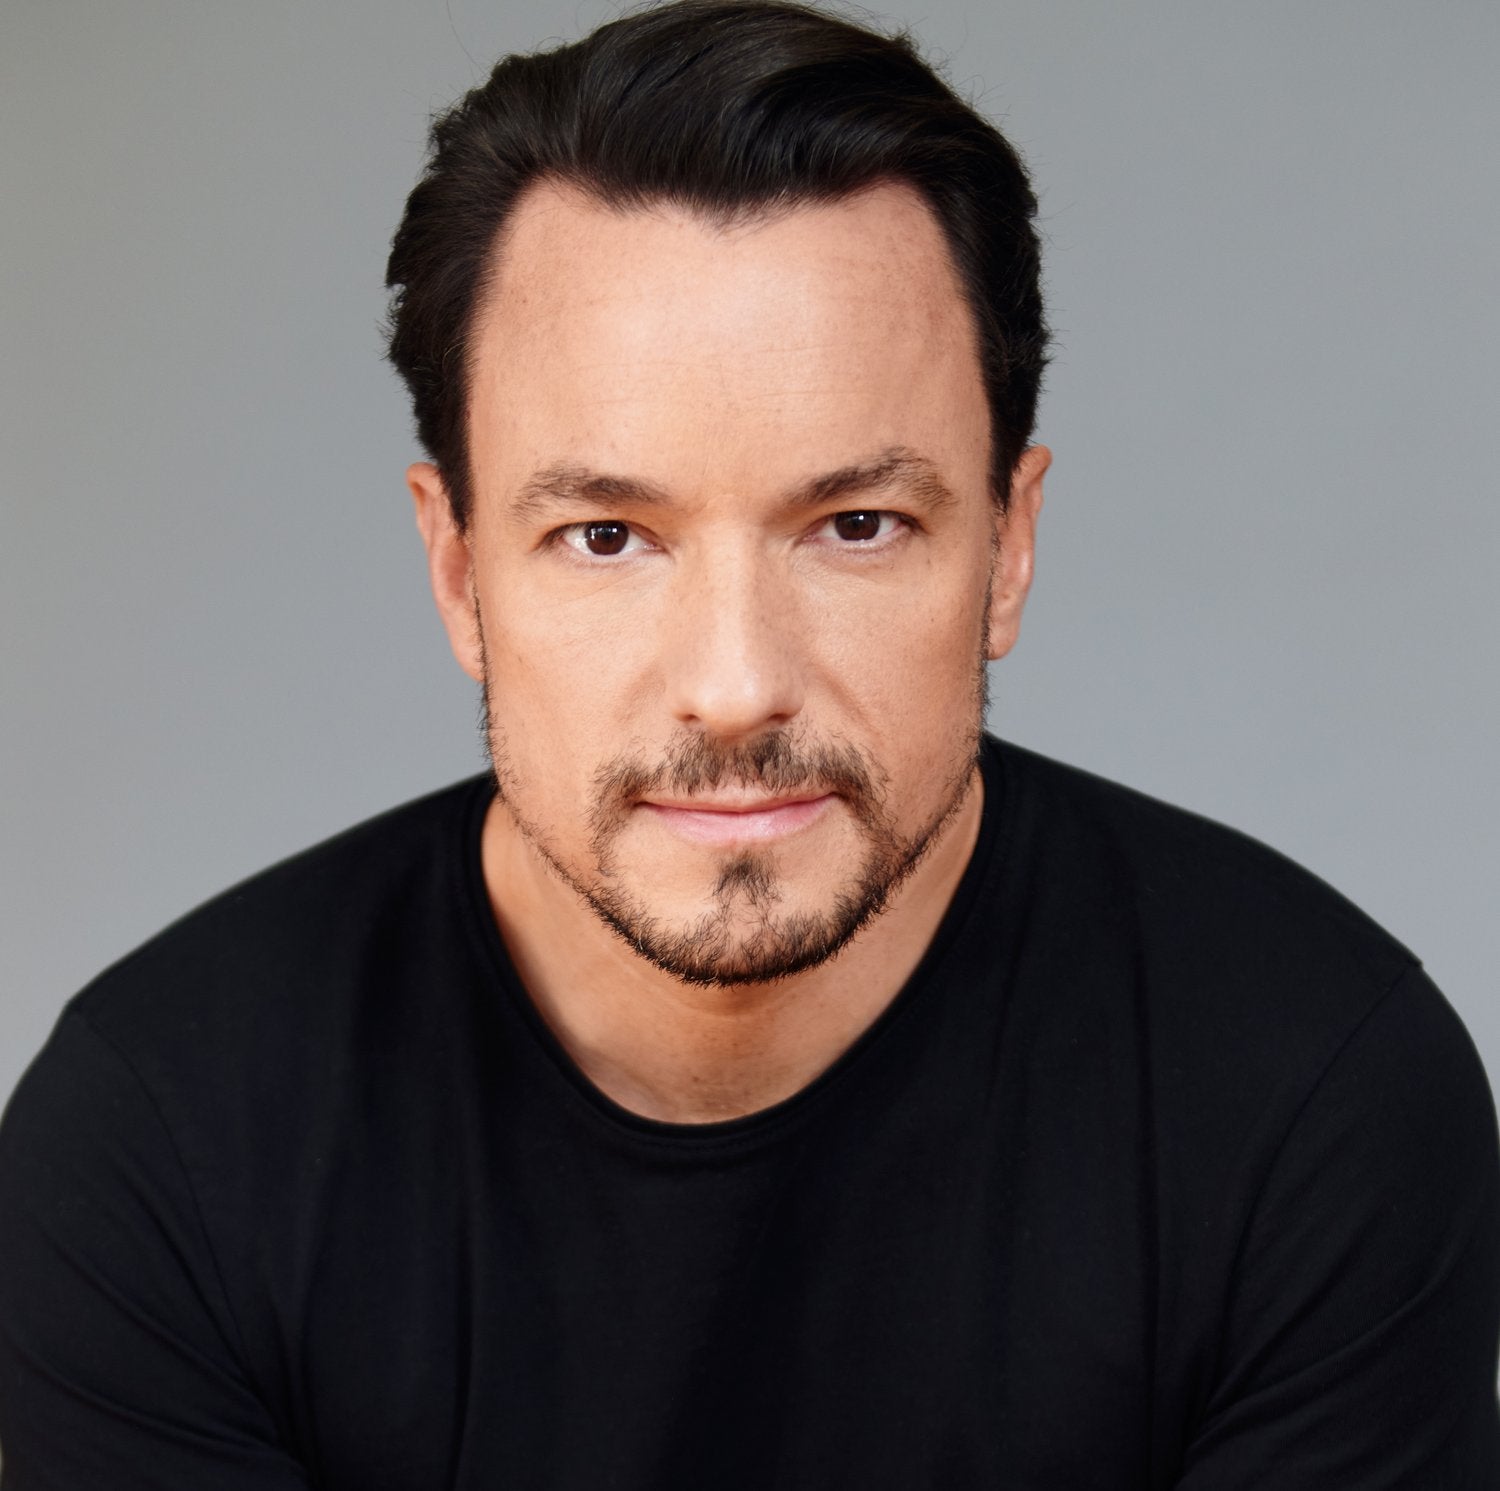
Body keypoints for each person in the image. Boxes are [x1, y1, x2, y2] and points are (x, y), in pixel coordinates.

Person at [1, 0, 1496, 1484]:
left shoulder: (1314, 1099)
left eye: (857, 525)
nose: (733, 686)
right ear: (458, 573)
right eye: (606, 535)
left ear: (1010, 546)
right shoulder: (157, 1152)